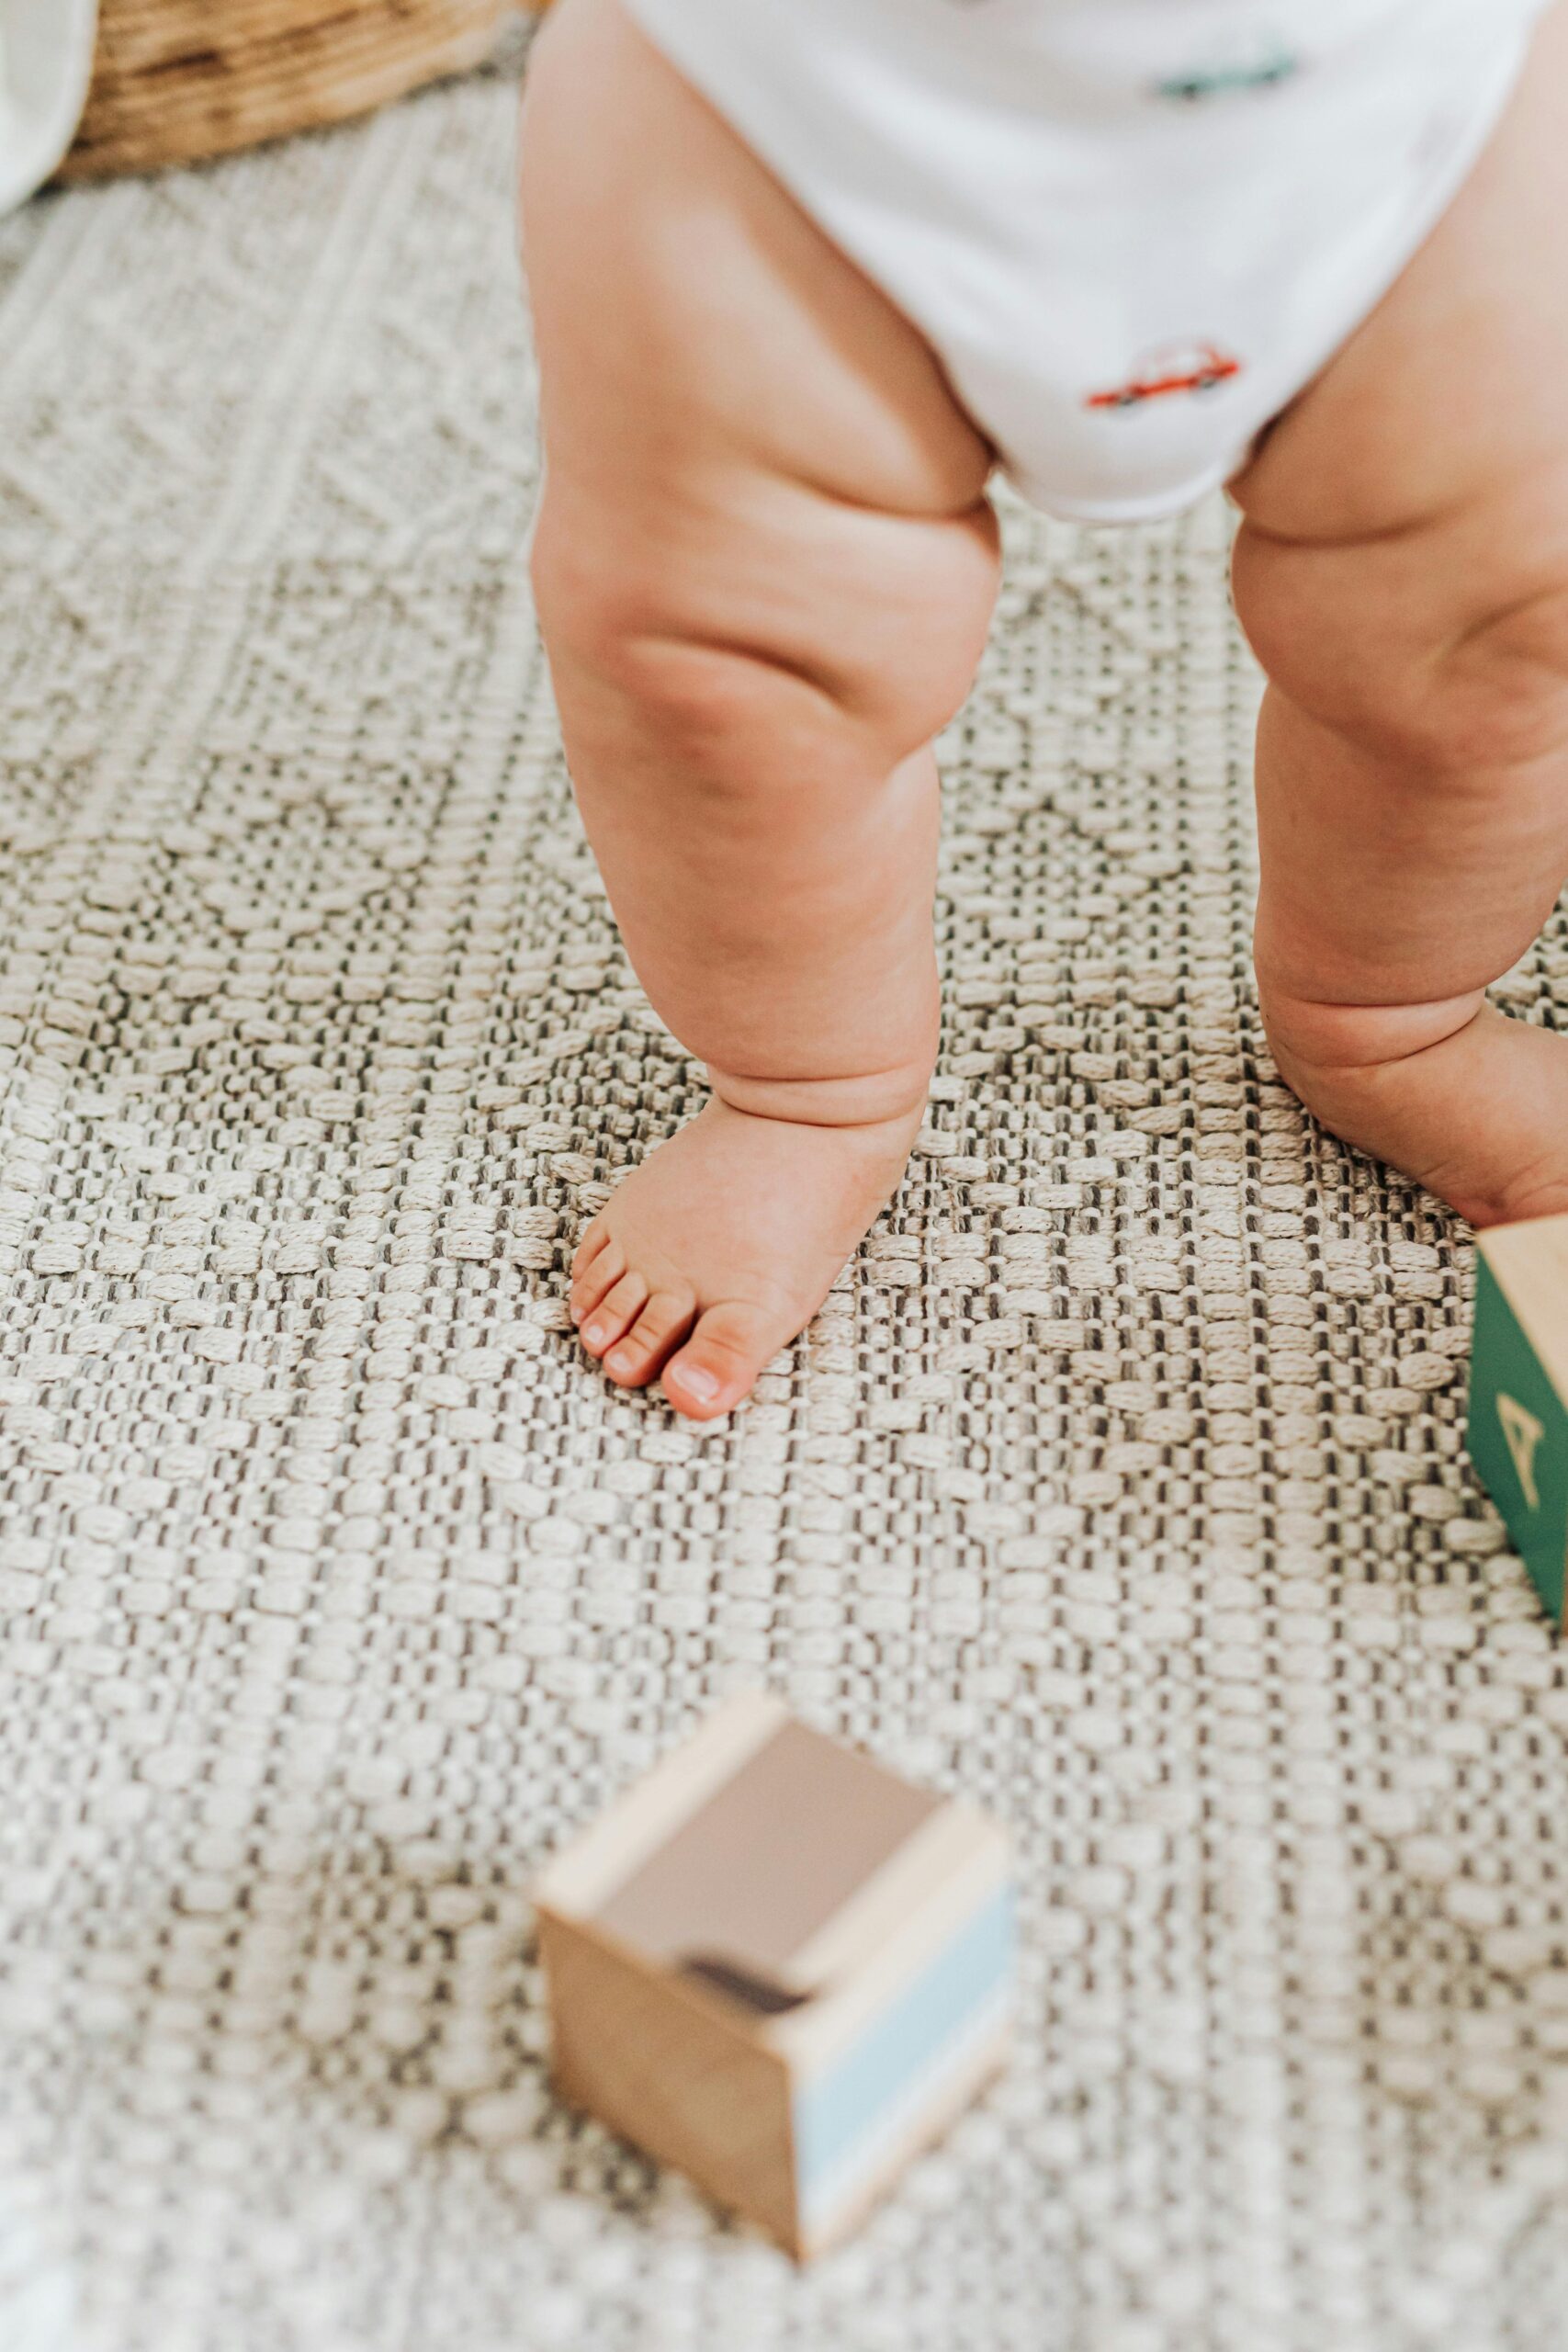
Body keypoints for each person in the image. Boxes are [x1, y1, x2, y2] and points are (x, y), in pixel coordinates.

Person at [520, 0, 1568, 1419]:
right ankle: (809, 1088)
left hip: (1411, 90)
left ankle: (1395, 1012)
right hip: (792, 101)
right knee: (727, 671)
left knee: (1502, 624)